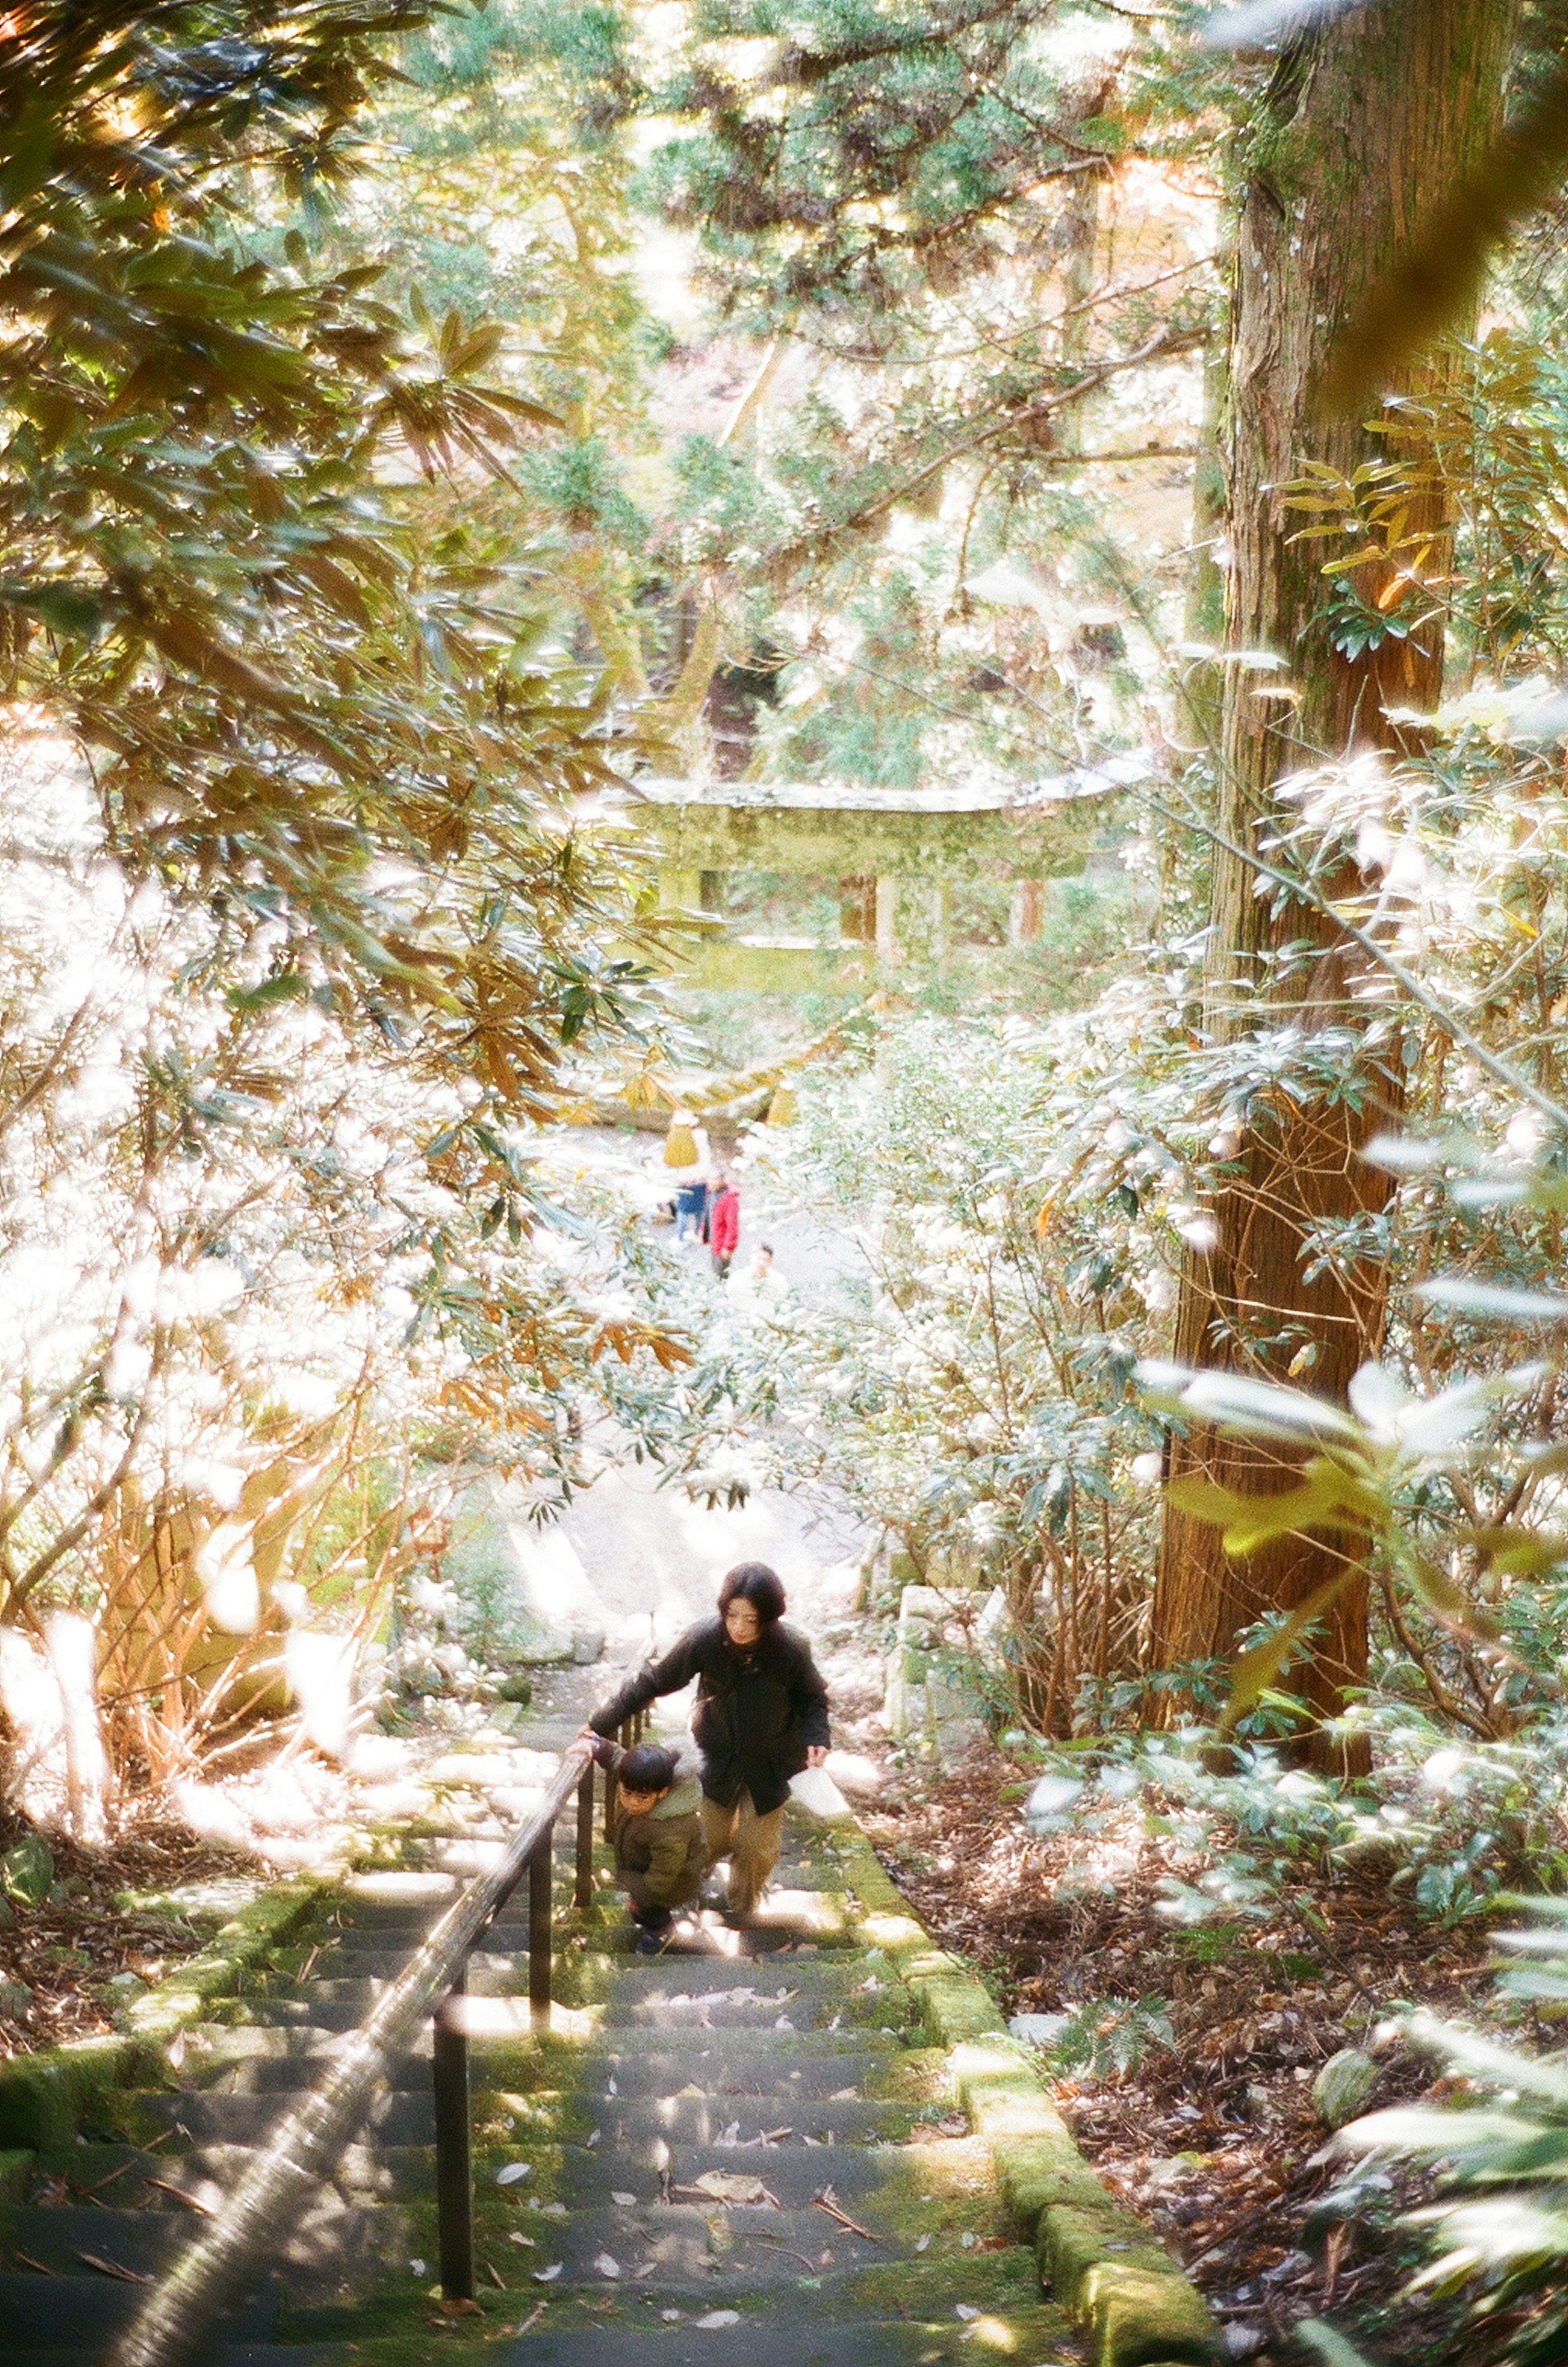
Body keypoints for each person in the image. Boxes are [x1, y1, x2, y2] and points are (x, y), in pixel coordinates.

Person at [583, 1562, 830, 1921]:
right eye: (733, 1615)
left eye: (751, 1619)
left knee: (756, 1847)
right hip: (717, 1758)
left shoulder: (790, 1648)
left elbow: (813, 1698)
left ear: (769, 1618)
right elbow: (654, 1682)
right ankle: (681, 1898)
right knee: (704, 1840)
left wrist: (818, 1737)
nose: (740, 1627)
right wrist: (599, 1725)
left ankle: (744, 1911)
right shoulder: (705, 1640)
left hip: (771, 1763)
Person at [568, 1735, 705, 1953]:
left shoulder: (670, 1831)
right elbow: (620, 1760)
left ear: (663, 1793)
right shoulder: (642, 1782)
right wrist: (597, 1747)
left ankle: (661, 1933)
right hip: (640, 1865)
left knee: (653, 1913)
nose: (632, 1802)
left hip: (669, 1884)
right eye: (627, 1793)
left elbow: (663, 1877)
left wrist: (639, 1898)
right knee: (642, 1908)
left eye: (642, 1798)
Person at [664, 1108, 711, 1243]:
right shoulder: (702, 1135)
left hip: (684, 1181)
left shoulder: (677, 1139)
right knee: (699, 1209)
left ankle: (680, 1238)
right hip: (701, 1179)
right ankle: (697, 1233)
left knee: (683, 1210)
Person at [709, 1170, 739, 1278]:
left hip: (722, 1245)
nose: (712, 1182)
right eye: (710, 1179)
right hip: (715, 1241)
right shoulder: (712, 1193)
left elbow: (733, 1226)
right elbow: (709, 1213)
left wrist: (728, 1246)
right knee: (715, 1271)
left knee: (721, 1275)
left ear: (722, 1179)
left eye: (715, 1179)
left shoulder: (729, 1199)